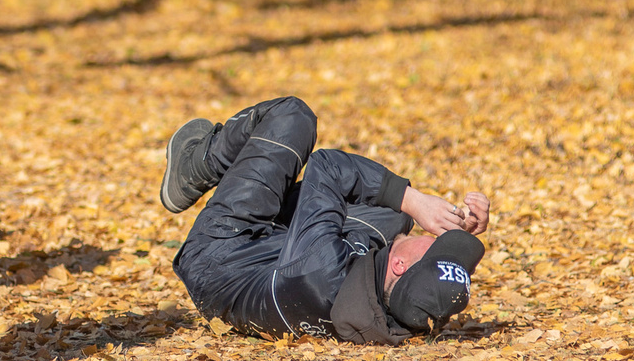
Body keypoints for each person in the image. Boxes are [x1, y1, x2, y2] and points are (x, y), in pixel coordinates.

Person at [157, 98, 489, 344]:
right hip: (271, 268)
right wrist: (458, 231)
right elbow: (436, 290)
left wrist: (415, 201)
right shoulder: (399, 312)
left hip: (219, 254)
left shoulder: (323, 270)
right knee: (392, 215)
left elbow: (327, 165)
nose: (435, 236)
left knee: (292, 117)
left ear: (400, 265)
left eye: (436, 246)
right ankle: (260, 180)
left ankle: (197, 166)